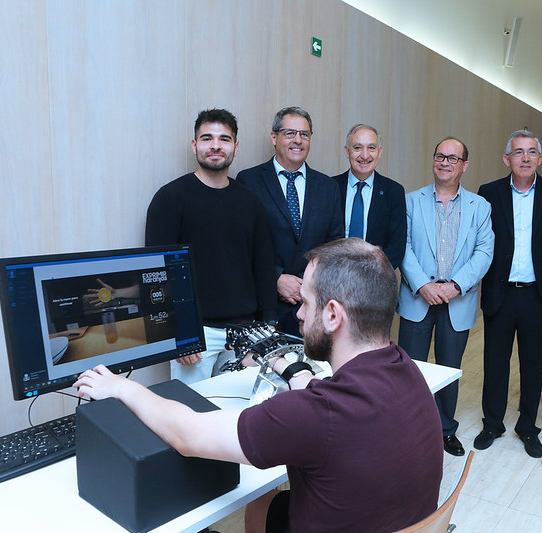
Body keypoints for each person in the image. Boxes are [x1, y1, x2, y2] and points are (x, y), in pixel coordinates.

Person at [74, 239, 443, 533]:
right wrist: (284, 365)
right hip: (405, 523)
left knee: (260, 503)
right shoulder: (405, 367)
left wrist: (121, 387)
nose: (298, 314)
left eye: (306, 302)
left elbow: (187, 435)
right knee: (269, 506)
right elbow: (326, 395)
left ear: (333, 314)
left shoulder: (313, 415)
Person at [145, 109, 277, 384]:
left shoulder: (250, 202)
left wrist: (267, 327)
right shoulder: (170, 198)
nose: (216, 145)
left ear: (235, 147)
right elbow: (156, 272)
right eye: (207, 138)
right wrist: (178, 331)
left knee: (237, 414)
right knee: (190, 416)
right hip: (196, 334)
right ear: (194, 145)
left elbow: (262, 266)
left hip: (245, 333)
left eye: (224, 139)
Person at [398, 137, 494, 456]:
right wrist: (423, 284)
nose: (445, 162)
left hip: (457, 299)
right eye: (440, 156)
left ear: (464, 166)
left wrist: (454, 286)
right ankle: (410, 431)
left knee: (448, 368)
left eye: (453, 158)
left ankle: (444, 429)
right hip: (418, 296)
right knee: (411, 369)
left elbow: (483, 252)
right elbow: (404, 247)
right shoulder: (410, 201)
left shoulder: (480, 206)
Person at [475, 130, 542, 458]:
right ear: (506, 159)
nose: (525, 158)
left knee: (533, 364)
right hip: (501, 292)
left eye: (531, 152)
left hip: (538, 294)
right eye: (518, 152)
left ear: (540, 158)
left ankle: (527, 427)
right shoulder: (489, 193)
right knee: (495, 362)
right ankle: (492, 423)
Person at [237, 106, 344, 336]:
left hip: (313, 307)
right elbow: (241, 243)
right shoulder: (249, 181)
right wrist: (275, 278)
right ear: (274, 137)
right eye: (290, 133)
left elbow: (334, 245)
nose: (298, 140)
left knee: (312, 371)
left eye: (304, 134)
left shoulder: (328, 187)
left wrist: (308, 283)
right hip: (264, 307)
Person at [331, 124, 406, 269]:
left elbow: (396, 246)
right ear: (347, 151)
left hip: (376, 278)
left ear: (380, 152)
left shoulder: (394, 192)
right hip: (334, 276)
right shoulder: (330, 187)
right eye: (357, 148)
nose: (365, 155)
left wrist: (375, 276)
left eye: (371, 148)